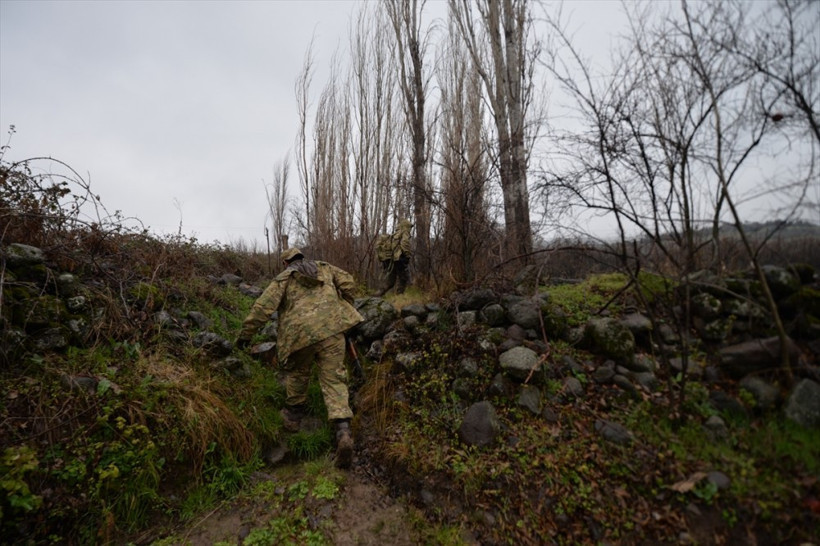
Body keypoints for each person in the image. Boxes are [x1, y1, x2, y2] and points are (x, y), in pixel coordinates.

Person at [234, 247, 363, 469]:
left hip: (299, 336)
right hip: (332, 330)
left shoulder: (284, 278)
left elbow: (262, 309)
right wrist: (345, 304)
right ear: (302, 257)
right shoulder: (325, 268)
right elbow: (349, 283)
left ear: (286, 263)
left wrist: (245, 337)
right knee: (334, 378)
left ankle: (293, 416)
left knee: (298, 373)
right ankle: (343, 431)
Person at [375, 219, 413, 296]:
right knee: (403, 277)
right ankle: (400, 296)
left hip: (390, 259)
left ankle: (378, 294)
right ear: (406, 226)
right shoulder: (404, 232)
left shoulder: (394, 235)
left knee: (390, 280)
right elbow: (405, 243)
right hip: (399, 259)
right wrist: (407, 255)